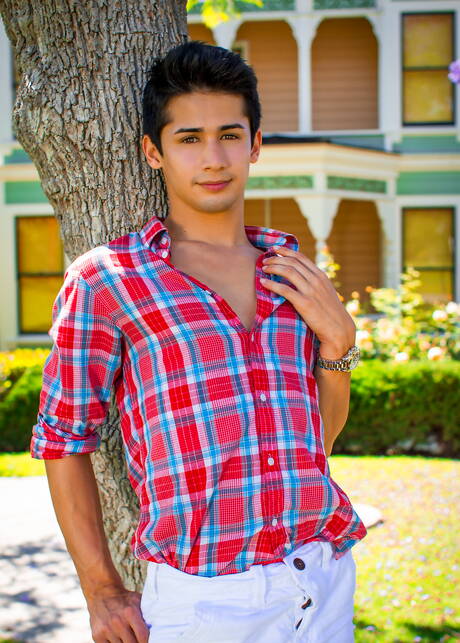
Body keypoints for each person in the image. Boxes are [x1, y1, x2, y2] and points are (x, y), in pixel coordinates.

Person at [30, 40, 367, 643]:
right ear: (153, 152)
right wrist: (101, 590)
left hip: (322, 579)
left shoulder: (291, 272)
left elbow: (317, 442)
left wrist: (338, 346)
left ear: (255, 144)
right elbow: (62, 437)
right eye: (189, 138)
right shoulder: (111, 280)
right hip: (208, 601)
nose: (213, 158)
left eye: (229, 135)